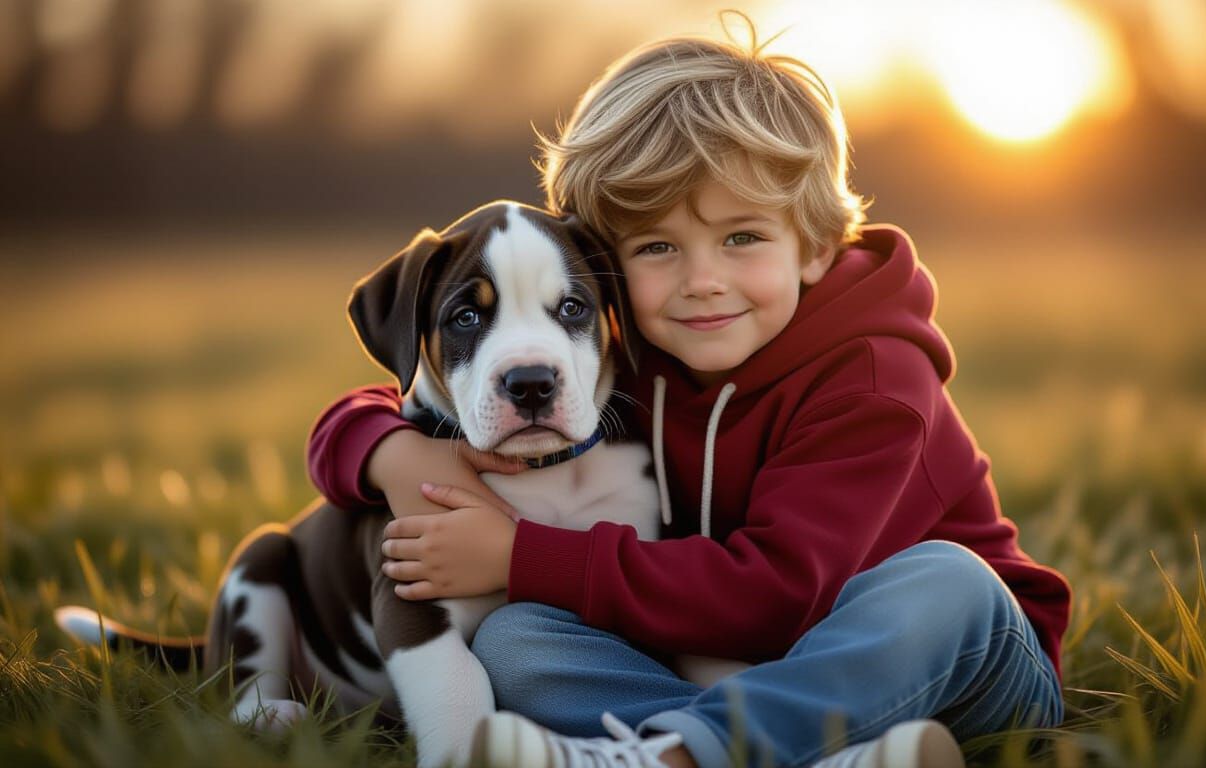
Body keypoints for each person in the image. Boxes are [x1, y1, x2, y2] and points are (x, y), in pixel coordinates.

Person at [306, 20, 1071, 768]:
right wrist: (390, 452)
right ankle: (839, 758)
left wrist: (521, 554)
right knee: (518, 638)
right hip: (742, 668)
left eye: (742, 237)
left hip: (957, 665)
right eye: (658, 247)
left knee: (942, 581)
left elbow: (778, 596)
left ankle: (669, 756)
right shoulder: (640, 346)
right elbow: (373, 405)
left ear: (813, 245)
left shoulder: (874, 380)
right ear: (604, 266)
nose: (702, 281)